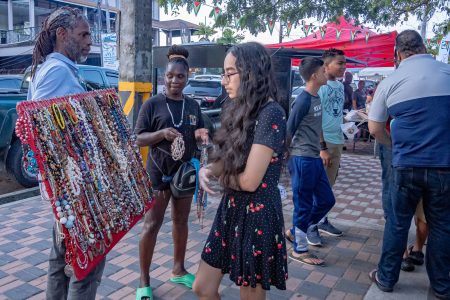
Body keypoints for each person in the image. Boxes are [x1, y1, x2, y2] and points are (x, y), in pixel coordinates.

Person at [192, 42, 288, 300]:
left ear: (252, 72)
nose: (224, 81)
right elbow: (231, 158)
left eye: (230, 73)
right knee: (202, 286)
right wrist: (209, 169)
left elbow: (248, 181)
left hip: (257, 214)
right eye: (224, 73)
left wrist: (219, 177)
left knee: (250, 295)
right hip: (232, 209)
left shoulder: (271, 113)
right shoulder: (241, 108)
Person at [27, 7, 104, 299]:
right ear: (62, 34)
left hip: (67, 188)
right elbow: (39, 130)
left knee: (61, 258)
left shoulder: (51, 68)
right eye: (83, 35)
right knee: (88, 261)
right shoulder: (57, 71)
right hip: (73, 188)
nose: (89, 42)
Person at [368, 29, 450, 299]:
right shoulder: (446, 72)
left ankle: (387, 278)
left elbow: (375, 128)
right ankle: (440, 286)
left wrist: (394, 145)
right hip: (443, 167)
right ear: (424, 47)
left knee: (397, 223)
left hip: (405, 166)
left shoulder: (391, 80)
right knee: (441, 225)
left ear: (397, 53)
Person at [134, 45, 208, 300]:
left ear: (188, 78)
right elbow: (138, 138)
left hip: (184, 173)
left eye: (180, 77)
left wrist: (200, 134)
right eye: (170, 76)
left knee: (180, 222)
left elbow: (199, 131)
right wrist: (160, 134)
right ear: (163, 77)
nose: (174, 81)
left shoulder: (193, 105)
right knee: (152, 224)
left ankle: (178, 269)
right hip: (157, 173)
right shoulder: (153, 104)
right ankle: (144, 282)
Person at [284, 57, 335, 265]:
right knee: (303, 206)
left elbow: (317, 126)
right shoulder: (303, 99)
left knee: (326, 200)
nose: (327, 72)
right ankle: (299, 249)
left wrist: (322, 148)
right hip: (302, 158)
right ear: (314, 75)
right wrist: (283, 158)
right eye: (324, 70)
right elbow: (289, 129)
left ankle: (296, 231)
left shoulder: (316, 97)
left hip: (314, 157)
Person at [309, 48, 346, 245]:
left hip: (338, 140)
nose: (344, 67)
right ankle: (310, 226)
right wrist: (321, 146)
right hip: (323, 143)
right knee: (318, 187)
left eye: (344, 63)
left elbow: (336, 112)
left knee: (329, 186)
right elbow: (315, 119)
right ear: (326, 65)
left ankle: (322, 220)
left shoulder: (339, 86)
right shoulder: (320, 86)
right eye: (339, 63)